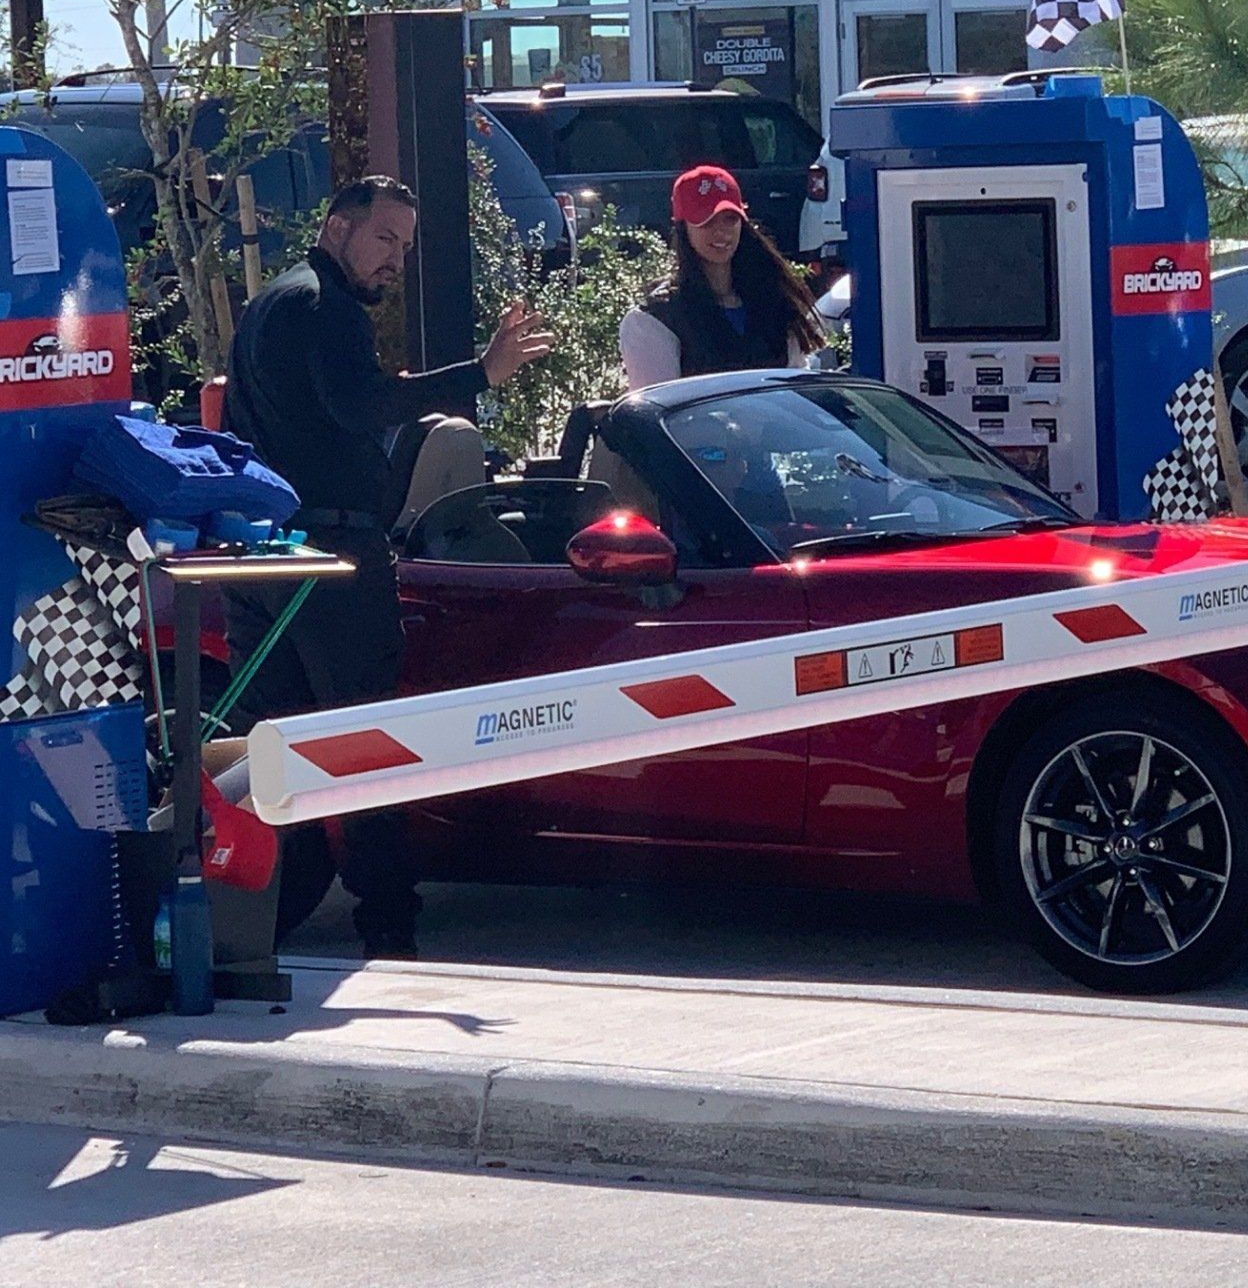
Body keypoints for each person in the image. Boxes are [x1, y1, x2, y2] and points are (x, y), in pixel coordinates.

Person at [223, 175, 551, 958]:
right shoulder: (319, 306)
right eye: (384, 240)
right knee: (365, 743)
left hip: (262, 556)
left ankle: (253, 916)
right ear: (337, 228)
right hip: (327, 561)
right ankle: (387, 925)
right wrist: (482, 374)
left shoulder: (272, 302)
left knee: (269, 753)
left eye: (405, 247)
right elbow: (363, 405)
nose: (394, 260)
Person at [618, 164, 825, 390]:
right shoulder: (654, 320)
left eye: (730, 218)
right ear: (682, 227)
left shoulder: (774, 301)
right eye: (706, 220)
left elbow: (798, 389)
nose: (721, 231)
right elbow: (657, 411)